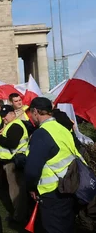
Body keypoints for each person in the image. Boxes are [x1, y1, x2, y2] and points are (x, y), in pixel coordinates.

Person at [25, 97, 86, 233]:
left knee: (54, 228)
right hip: (69, 185)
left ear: (35, 111)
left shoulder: (41, 133)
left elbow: (32, 169)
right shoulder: (61, 128)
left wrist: (31, 188)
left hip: (52, 191)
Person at [0, 105, 29, 224]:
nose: (4, 118)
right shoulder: (11, 125)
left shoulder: (15, 125)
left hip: (14, 162)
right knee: (16, 190)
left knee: (16, 192)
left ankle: (19, 217)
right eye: (2, 116)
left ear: (13, 114)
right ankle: (20, 214)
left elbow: (12, 143)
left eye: (6, 115)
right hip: (12, 161)